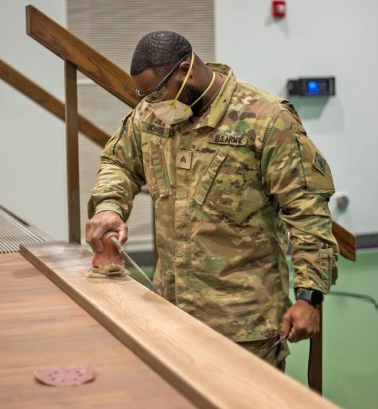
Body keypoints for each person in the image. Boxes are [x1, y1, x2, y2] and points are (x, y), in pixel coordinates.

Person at [85, 31, 338, 369]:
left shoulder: (265, 120)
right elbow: (119, 162)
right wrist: (109, 207)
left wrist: (310, 297)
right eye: (145, 95)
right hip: (169, 308)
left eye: (158, 92)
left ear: (186, 69)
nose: (152, 104)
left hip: (243, 322)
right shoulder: (151, 116)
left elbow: (307, 211)